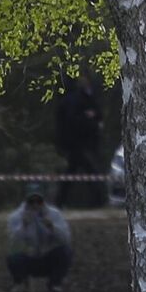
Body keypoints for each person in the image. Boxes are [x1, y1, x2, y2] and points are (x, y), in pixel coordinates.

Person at [7, 191, 73, 292]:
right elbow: (13, 243)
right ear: (26, 202)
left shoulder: (55, 214)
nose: (35, 205)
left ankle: (55, 284)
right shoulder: (15, 217)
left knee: (66, 251)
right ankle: (21, 283)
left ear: (43, 202)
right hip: (29, 259)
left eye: (39, 201)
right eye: (31, 202)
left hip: (49, 258)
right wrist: (23, 227)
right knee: (13, 256)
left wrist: (52, 227)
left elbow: (66, 239)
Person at [54, 77, 104, 207]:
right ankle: (97, 202)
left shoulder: (85, 99)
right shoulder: (75, 100)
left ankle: (61, 201)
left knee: (74, 173)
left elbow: (98, 114)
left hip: (81, 144)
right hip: (78, 144)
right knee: (89, 172)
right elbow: (72, 122)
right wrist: (89, 119)